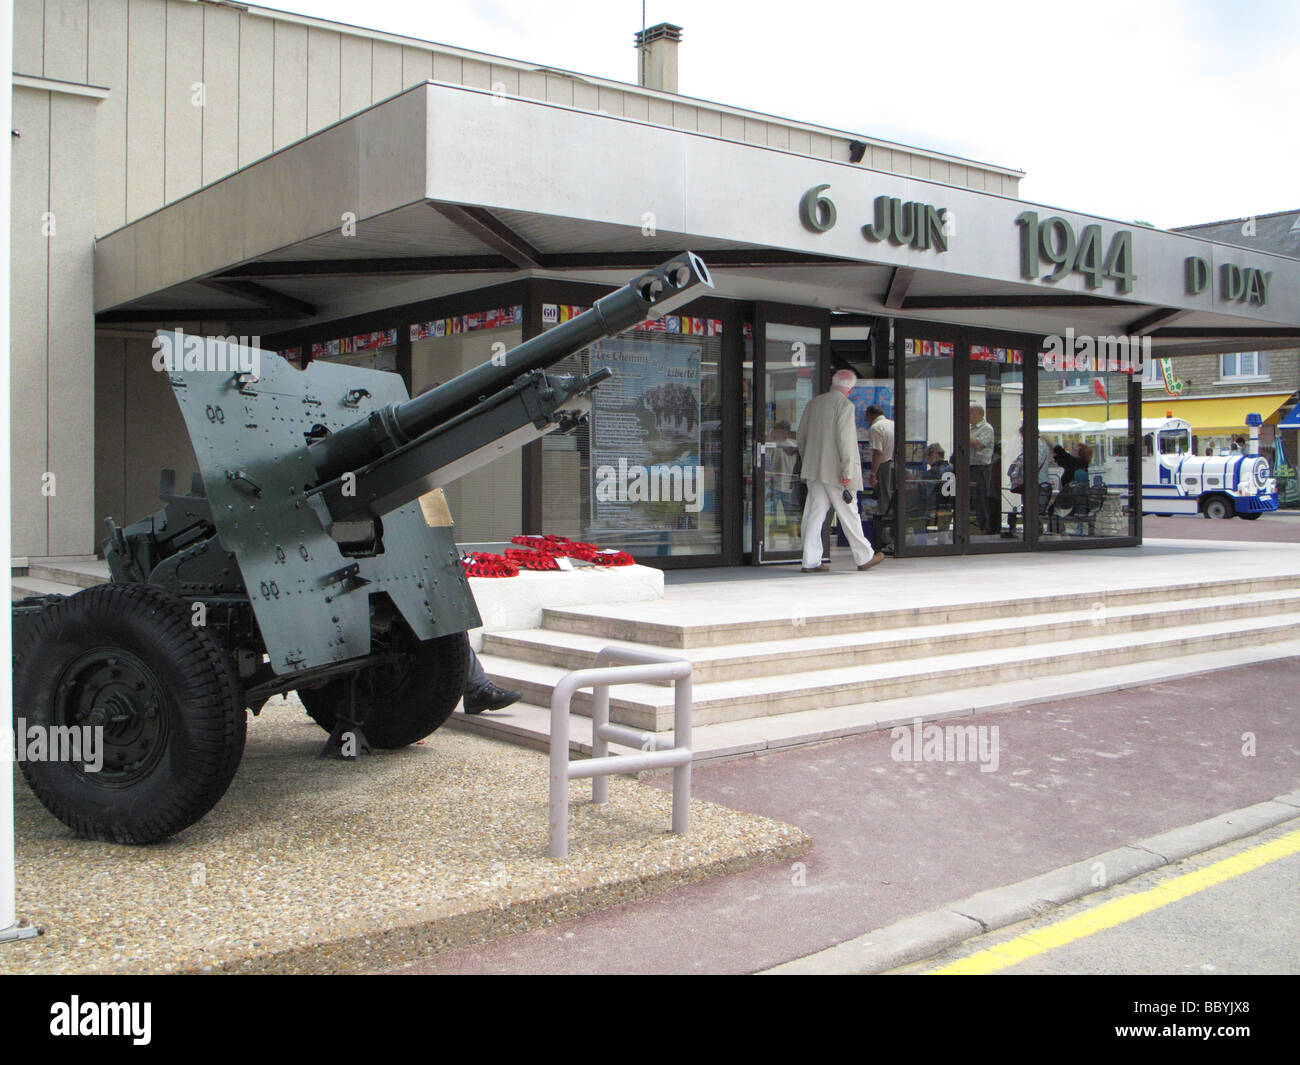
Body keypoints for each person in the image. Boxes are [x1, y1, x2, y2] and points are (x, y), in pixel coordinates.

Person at [796, 369, 885, 572]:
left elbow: (801, 436)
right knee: (849, 511)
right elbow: (845, 440)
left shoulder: (814, 403)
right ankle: (864, 556)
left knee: (814, 513)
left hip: (814, 468)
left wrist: (809, 458)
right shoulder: (845, 405)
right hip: (836, 471)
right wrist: (847, 471)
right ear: (850, 388)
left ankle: (810, 560)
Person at [1003, 427, 1052, 536]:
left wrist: (1021, 463)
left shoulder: (1037, 444)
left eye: (1022, 436)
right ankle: (1032, 533)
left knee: (1032, 509)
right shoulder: (1035, 444)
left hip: (1037, 483)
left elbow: (1035, 462)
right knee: (1029, 509)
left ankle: (1033, 533)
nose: (1021, 439)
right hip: (1033, 482)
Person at [864, 404, 895, 552]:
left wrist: (873, 473)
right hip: (895, 466)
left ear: (870, 415)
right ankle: (894, 538)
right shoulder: (893, 424)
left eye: (866, 417)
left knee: (884, 500)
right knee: (892, 500)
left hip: (883, 466)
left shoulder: (876, 428)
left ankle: (885, 539)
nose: (866, 420)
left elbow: (878, 452)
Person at [968, 405, 997, 534]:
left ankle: (985, 527)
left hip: (981, 467)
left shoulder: (987, 429)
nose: (968, 416)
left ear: (979, 414)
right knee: (972, 498)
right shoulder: (971, 428)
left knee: (980, 497)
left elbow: (978, 445)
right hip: (969, 466)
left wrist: (966, 434)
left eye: (970, 413)